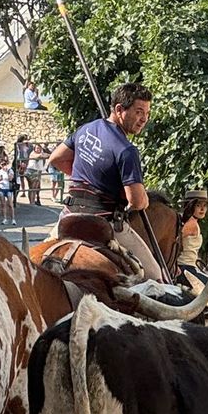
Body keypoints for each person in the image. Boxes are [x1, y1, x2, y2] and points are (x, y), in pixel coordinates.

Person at [46, 81, 165, 282]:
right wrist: (142, 199)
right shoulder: (127, 150)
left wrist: (89, 181)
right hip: (104, 222)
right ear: (119, 109)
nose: (144, 119)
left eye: (147, 113)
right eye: (138, 112)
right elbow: (136, 202)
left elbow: (56, 159)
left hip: (69, 215)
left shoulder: (85, 129)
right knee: (155, 277)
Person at [177, 188, 208, 292]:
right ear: (190, 206)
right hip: (185, 269)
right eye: (198, 205)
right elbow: (175, 242)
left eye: (204, 205)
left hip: (190, 267)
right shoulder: (191, 224)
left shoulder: (192, 222)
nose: (202, 209)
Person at [0, 157, 16, 225]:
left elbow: (10, 179)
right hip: (1, 188)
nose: (4, 166)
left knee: (10, 204)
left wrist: (7, 172)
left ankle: (13, 219)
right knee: (3, 204)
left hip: (8, 189)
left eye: (5, 164)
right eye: (2, 164)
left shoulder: (10, 171)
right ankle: (5, 218)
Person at [25, 142, 44, 207]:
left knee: (35, 188)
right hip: (31, 171)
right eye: (37, 148)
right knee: (32, 187)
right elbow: (39, 156)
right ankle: (31, 202)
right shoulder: (33, 154)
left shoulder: (41, 153)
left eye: (39, 148)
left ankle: (33, 201)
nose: (38, 149)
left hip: (38, 171)